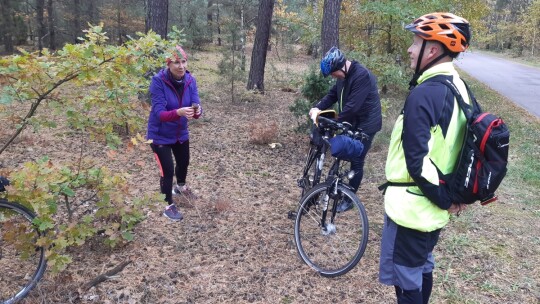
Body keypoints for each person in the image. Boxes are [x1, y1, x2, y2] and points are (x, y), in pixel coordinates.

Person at [378, 13, 471, 304]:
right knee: (422, 268)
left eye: (416, 42)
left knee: (407, 284)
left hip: (412, 208)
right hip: (430, 210)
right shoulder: (459, 89)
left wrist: (444, 198)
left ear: (432, 50)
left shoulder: (426, 93)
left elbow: (416, 160)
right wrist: (452, 197)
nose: (409, 49)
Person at [309, 47, 382, 212]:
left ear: (342, 67)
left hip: (367, 124)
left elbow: (352, 108)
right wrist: (317, 108)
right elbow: (332, 95)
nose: (334, 77)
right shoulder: (343, 77)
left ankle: (349, 198)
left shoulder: (361, 76)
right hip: (352, 121)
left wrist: (335, 121)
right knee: (343, 152)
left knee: (357, 159)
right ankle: (338, 186)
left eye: (334, 74)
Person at [146, 45, 202, 221]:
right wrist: (178, 112)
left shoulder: (190, 80)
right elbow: (159, 113)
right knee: (167, 170)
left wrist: (197, 111)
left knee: (184, 162)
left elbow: (196, 103)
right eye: (176, 62)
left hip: (180, 132)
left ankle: (180, 187)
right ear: (168, 64)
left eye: (183, 61)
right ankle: (168, 204)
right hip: (159, 134)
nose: (181, 66)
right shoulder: (158, 81)